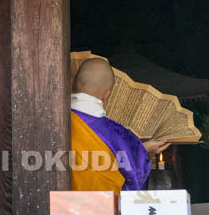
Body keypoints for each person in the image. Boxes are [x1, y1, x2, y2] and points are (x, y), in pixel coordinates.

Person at [71, 58, 165, 194]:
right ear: (106, 95)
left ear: (71, 83)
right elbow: (134, 179)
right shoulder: (116, 133)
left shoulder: (50, 122)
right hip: (102, 211)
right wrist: (142, 150)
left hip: (56, 210)